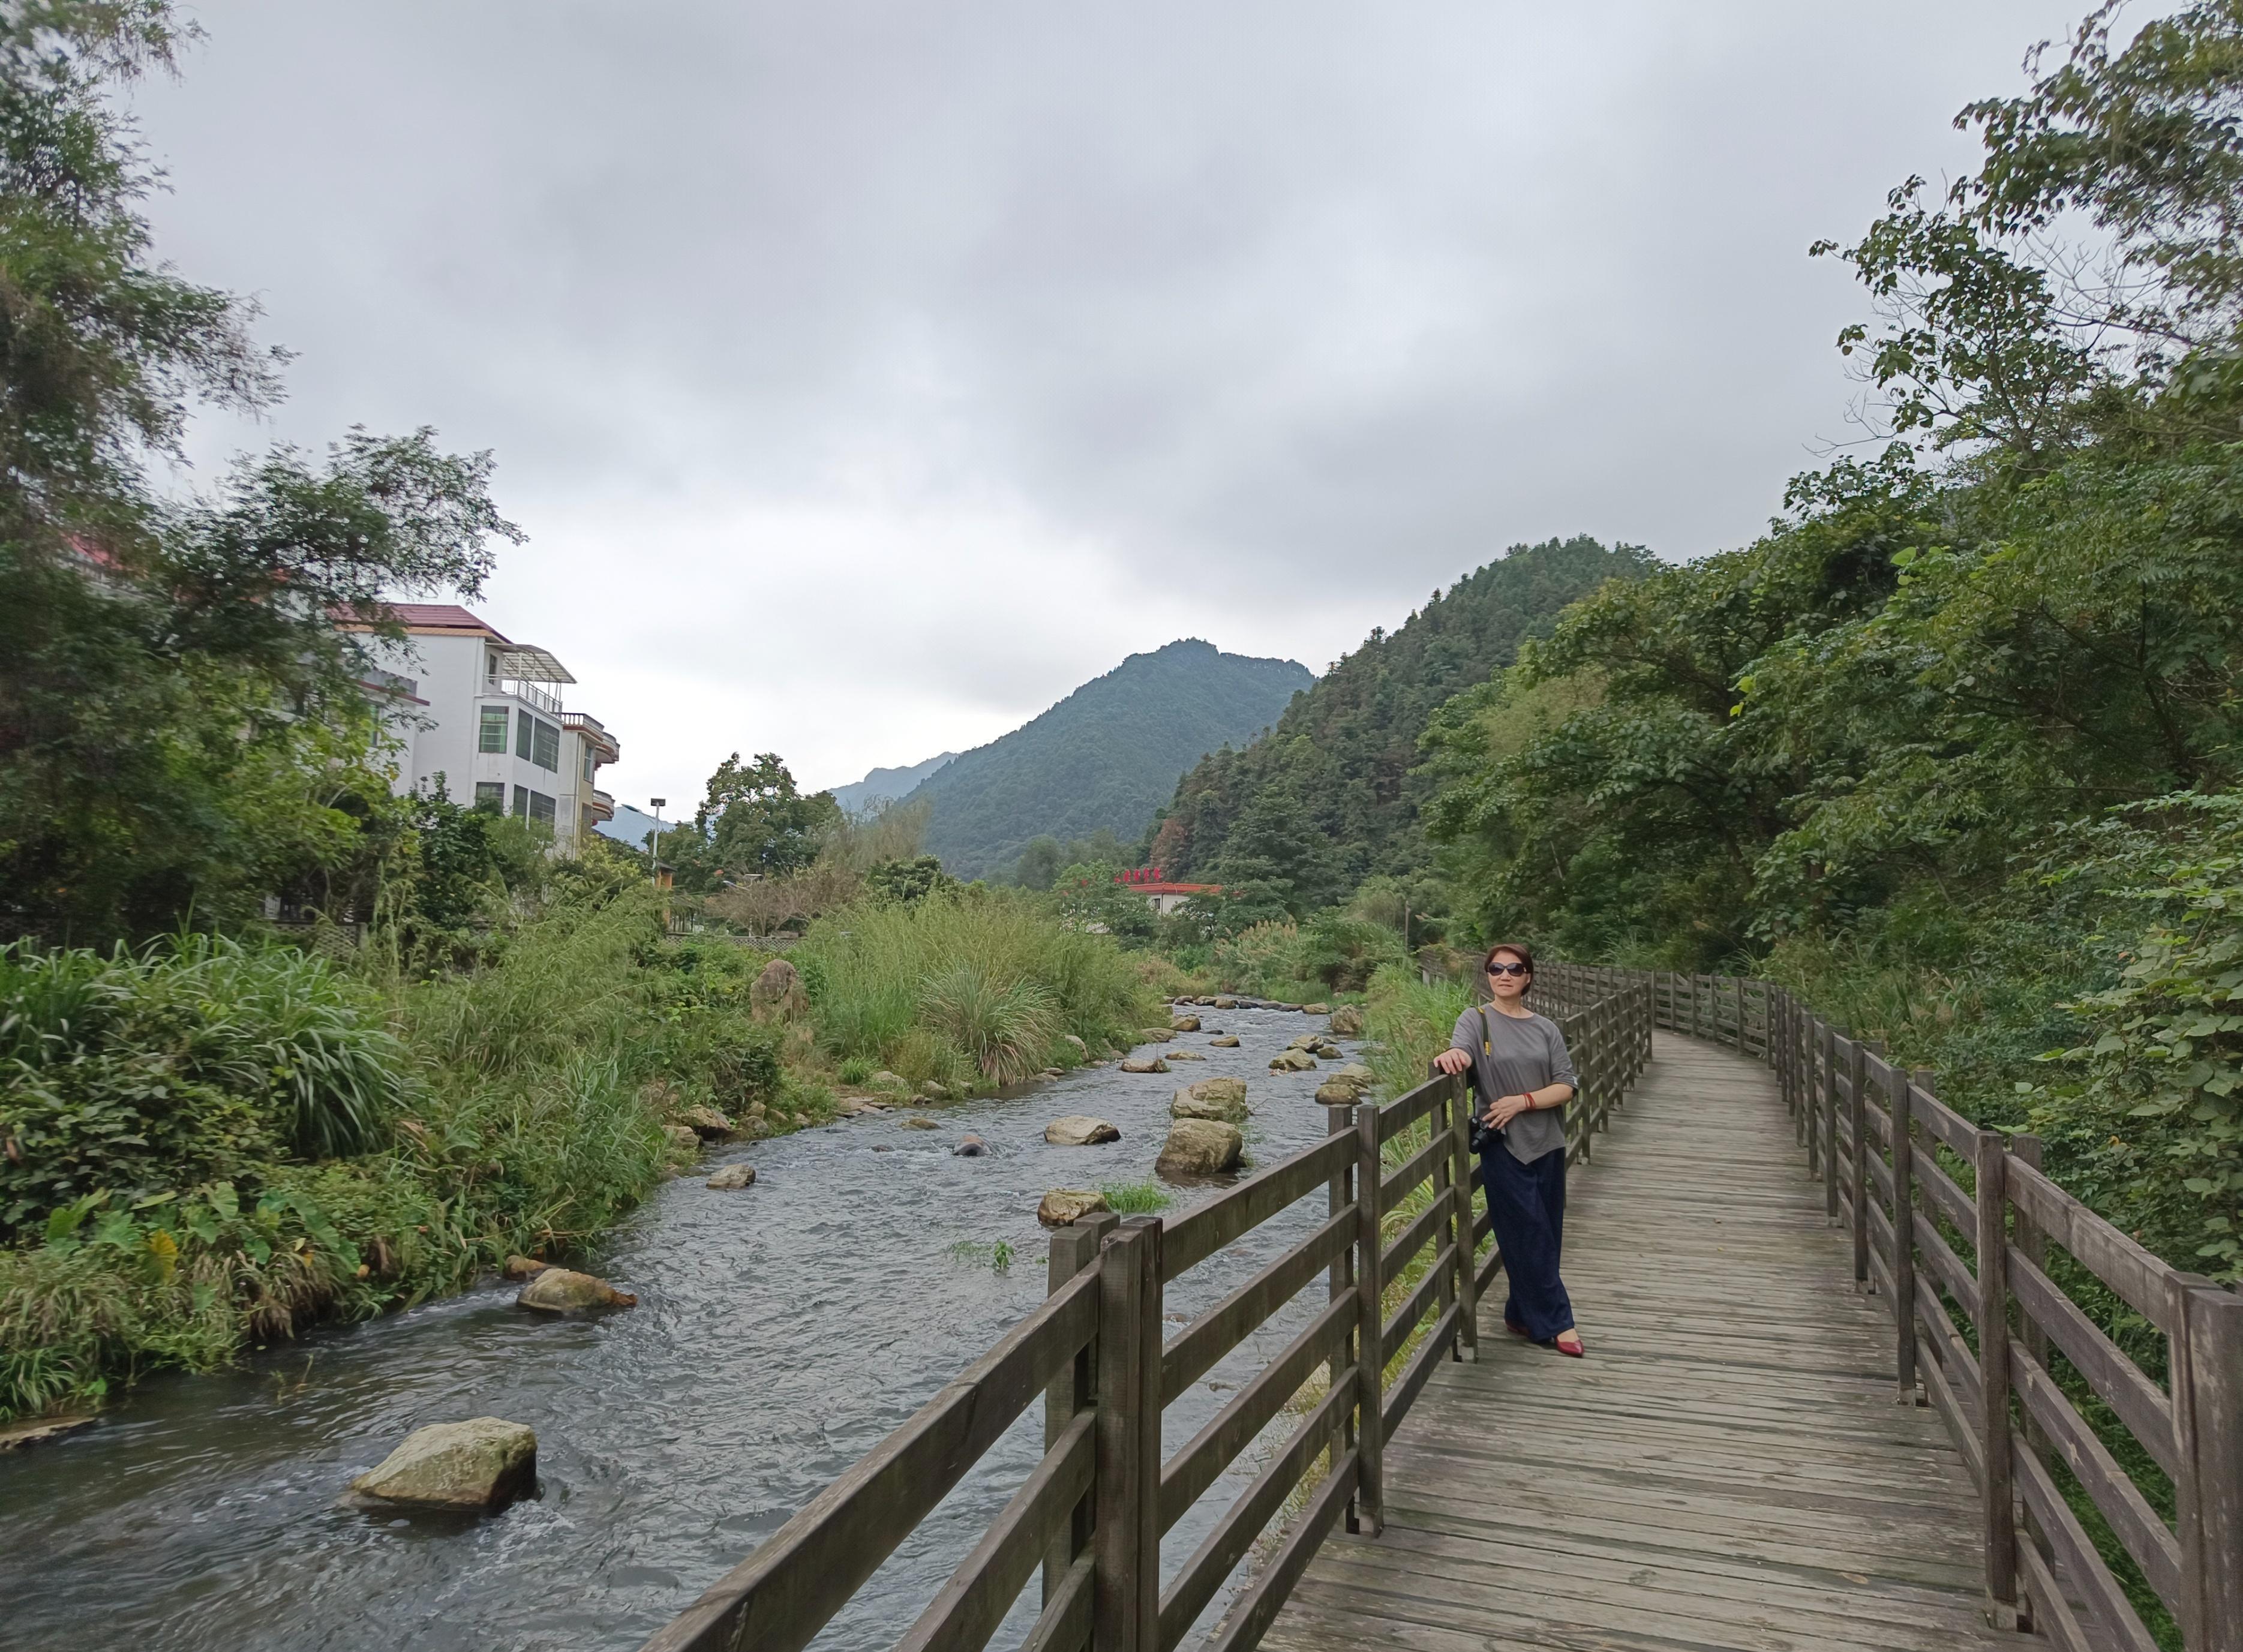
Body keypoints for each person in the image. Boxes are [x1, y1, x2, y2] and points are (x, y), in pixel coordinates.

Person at [1433, 942, 1583, 1356]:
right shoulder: (1475, 1020)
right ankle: (1558, 1322)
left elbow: (1566, 1086)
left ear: (1528, 977)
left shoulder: (1545, 1028)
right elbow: (1461, 1051)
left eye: (1514, 969)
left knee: (1545, 1235)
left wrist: (1523, 1101)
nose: (1504, 975)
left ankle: (1519, 1313)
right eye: (1495, 968)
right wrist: (1452, 1056)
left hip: (1546, 1143)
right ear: (1487, 976)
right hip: (1503, 1147)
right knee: (1528, 1232)